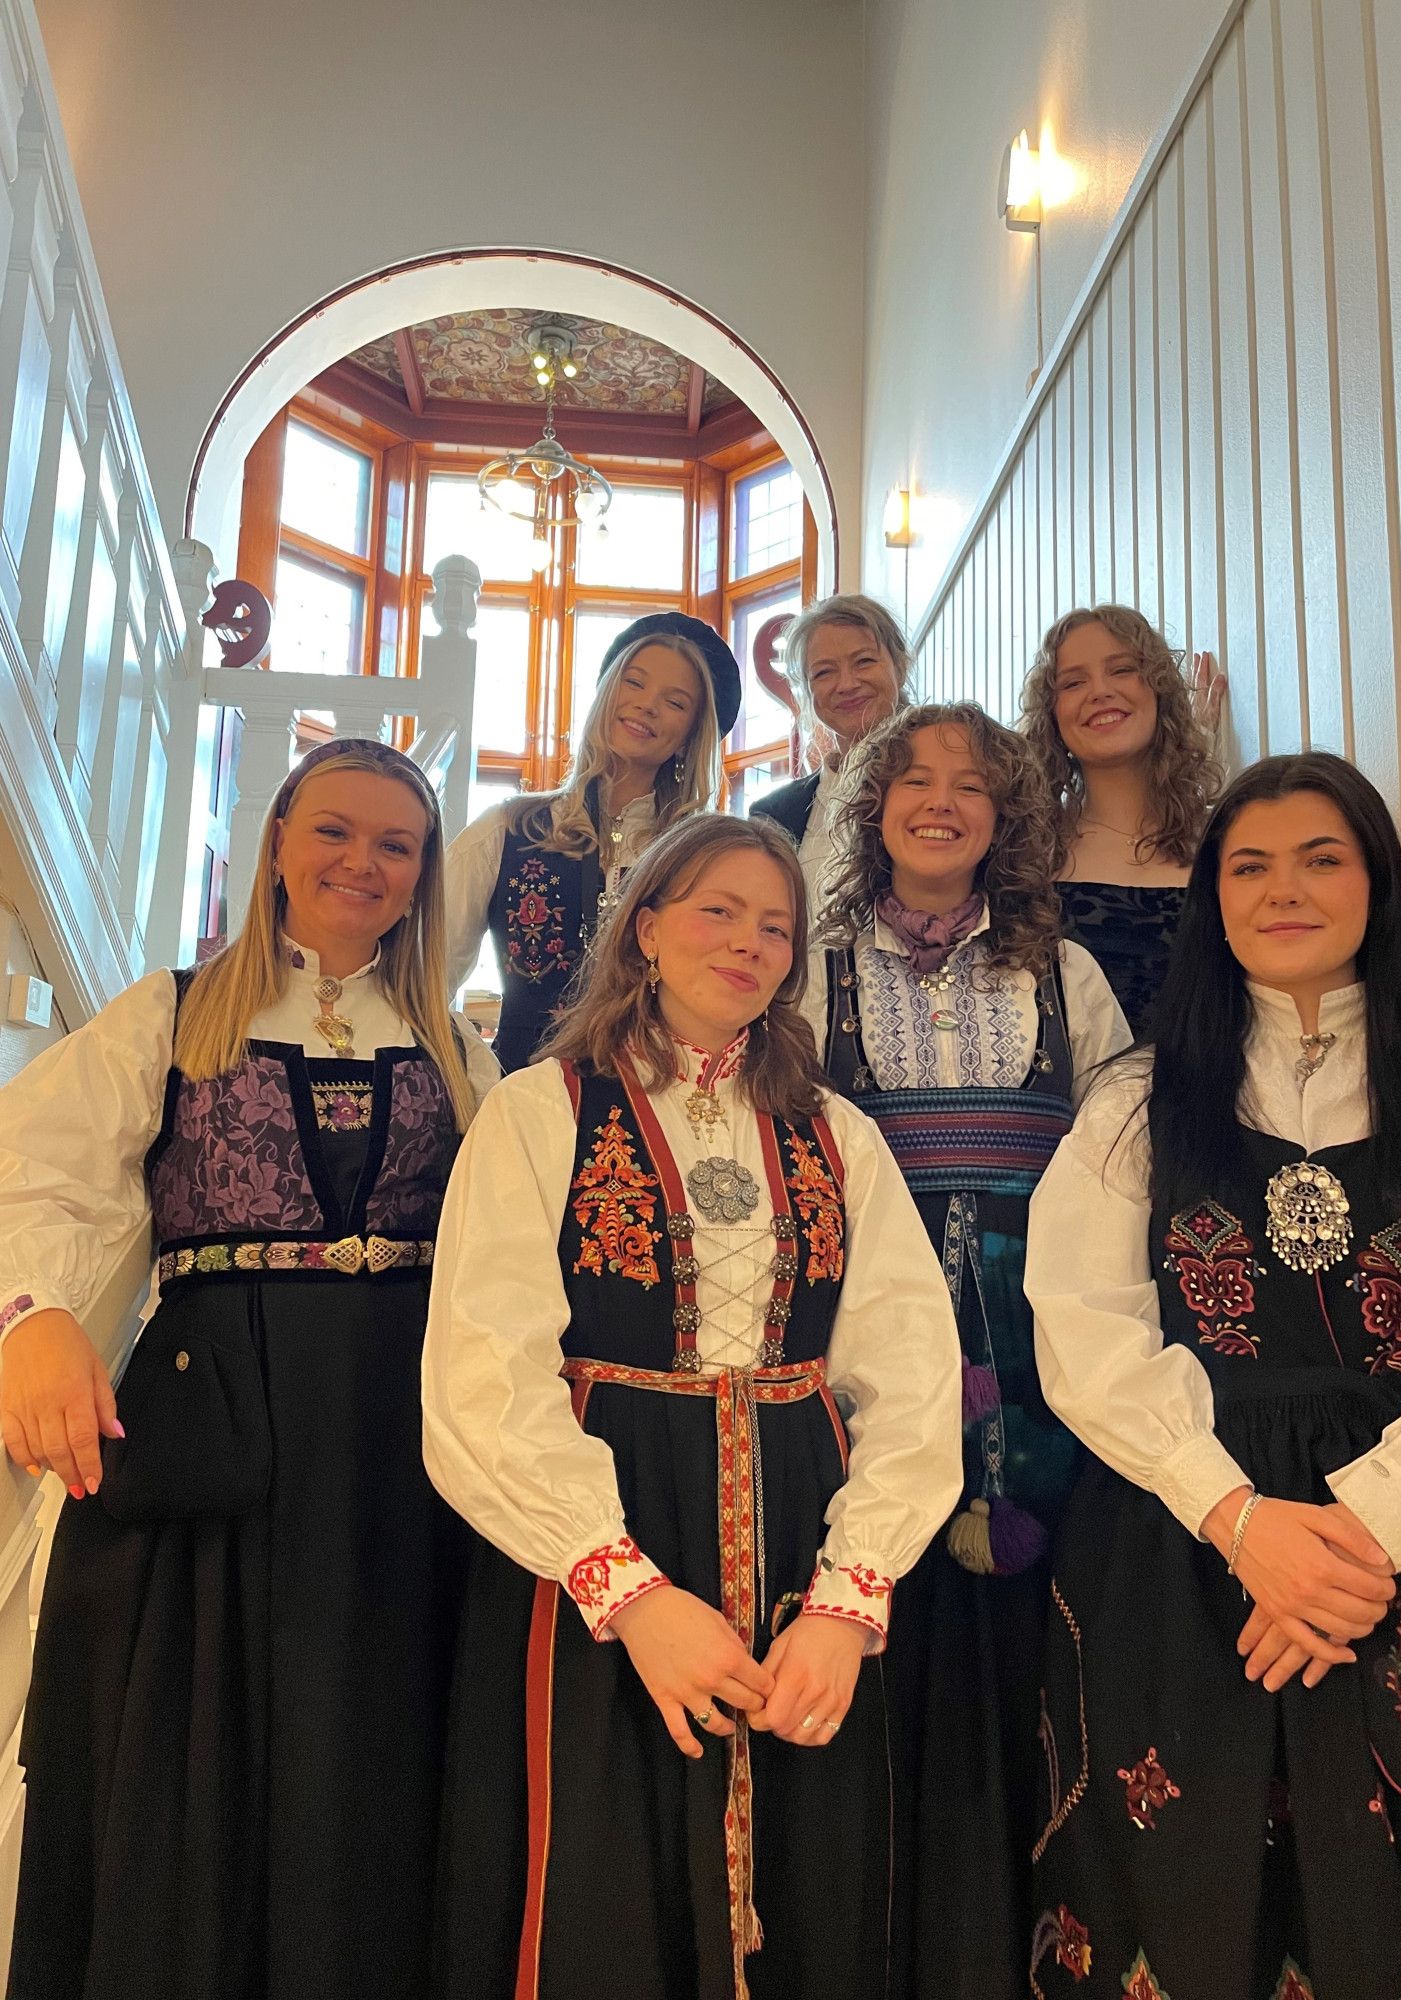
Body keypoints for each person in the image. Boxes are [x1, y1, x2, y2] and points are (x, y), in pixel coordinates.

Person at [422, 812, 963, 2000]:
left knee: (810, 1879)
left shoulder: (840, 1132)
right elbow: (482, 1374)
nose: (751, 941)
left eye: (777, 924)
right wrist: (627, 1589)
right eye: (718, 909)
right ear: (648, 927)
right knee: (601, 1879)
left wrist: (849, 1596)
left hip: (802, 1540)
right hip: (601, 1535)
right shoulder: (540, 1109)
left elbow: (911, 1376)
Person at [0, 739, 499, 2000]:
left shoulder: (458, 1047)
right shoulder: (169, 1011)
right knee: (185, 1750)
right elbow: (34, 1170)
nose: (363, 861)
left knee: (379, 1742)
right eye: (335, 829)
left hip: (404, 1441)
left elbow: (524, 1237)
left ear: (425, 873)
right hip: (213, 1423)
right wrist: (30, 1318)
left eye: (396, 843)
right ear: (276, 840)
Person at [1025, 752, 1401, 2000]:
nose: (1284, 889)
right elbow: (1083, 1322)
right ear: (1212, 897)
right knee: (1190, 1905)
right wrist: (1241, 1520)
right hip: (1182, 1545)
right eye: (1249, 865)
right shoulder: (1135, 1099)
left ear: (1378, 884)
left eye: (1321, 858)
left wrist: (1363, 1527)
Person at [810, 702, 1129, 2000]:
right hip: (863, 1333)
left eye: (972, 786)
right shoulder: (811, 962)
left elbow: (1120, 1155)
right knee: (878, 1611)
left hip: (1041, 1338)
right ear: (874, 804)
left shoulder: (1066, 973)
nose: (939, 800)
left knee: (1029, 1634)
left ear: (1008, 819)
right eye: (913, 779)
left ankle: (1018, 1938)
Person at [445, 609, 741, 1069]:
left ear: (690, 736)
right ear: (607, 693)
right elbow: (428, 971)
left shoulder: (703, 855)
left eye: (675, 702)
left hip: (656, 1103)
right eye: (634, 682)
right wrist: (474, 1071)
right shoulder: (508, 827)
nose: (646, 705)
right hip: (523, 1098)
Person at [1018, 604, 1222, 1036]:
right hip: (1073, 1100)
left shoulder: (1225, 842)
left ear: (1159, 690)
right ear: (1052, 717)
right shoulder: (1025, 857)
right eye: (1073, 682)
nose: (1100, 691)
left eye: (1123, 670)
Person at [750, 592, 909, 917]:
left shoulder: (950, 782)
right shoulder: (776, 813)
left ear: (900, 666)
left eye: (864, 661)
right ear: (806, 691)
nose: (847, 684)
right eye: (823, 672)